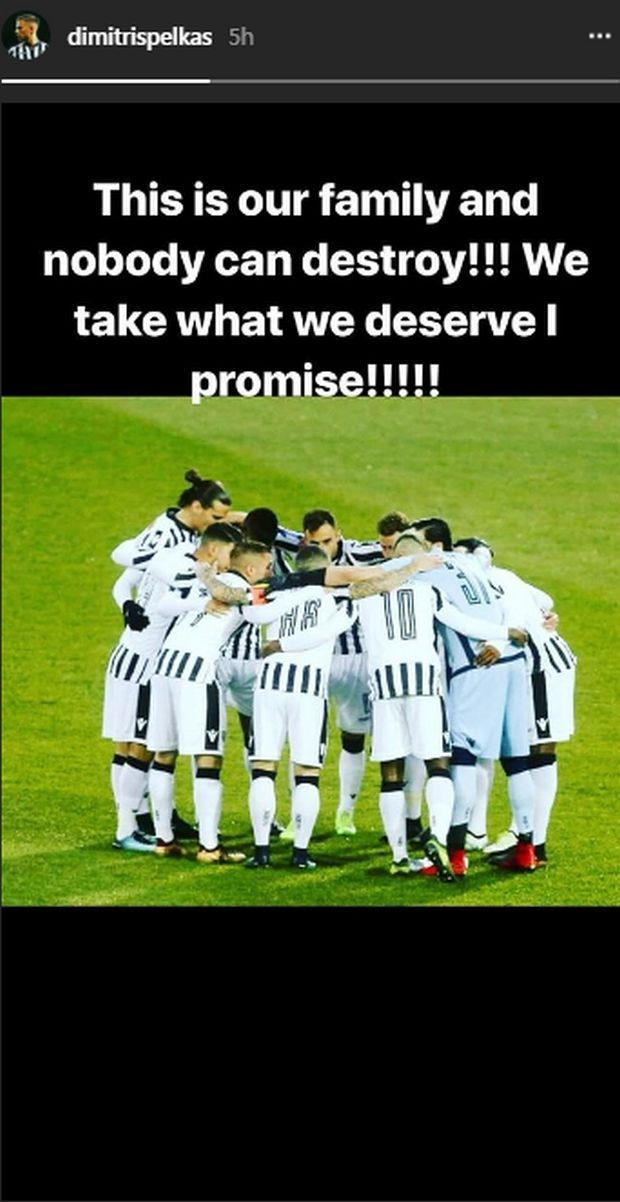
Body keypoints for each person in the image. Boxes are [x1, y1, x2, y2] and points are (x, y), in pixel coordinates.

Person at [242, 544, 439, 870]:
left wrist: (277, 638)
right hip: (308, 689)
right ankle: (300, 854)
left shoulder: (274, 590)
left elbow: (252, 613)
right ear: (327, 570)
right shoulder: (339, 598)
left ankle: (261, 852)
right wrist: (413, 565)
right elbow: (333, 625)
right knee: (307, 773)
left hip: (269, 684)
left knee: (264, 766)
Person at [354, 546, 525, 877]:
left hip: (384, 686)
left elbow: (342, 606)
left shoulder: (365, 593)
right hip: (424, 684)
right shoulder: (429, 591)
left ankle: (399, 857)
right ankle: (438, 837)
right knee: (437, 764)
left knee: (391, 773)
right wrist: (506, 633)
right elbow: (463, 622)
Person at [103, 471, 232, 851]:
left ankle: (148, 819)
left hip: (150, 657)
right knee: (135, 746)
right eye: (217, 518)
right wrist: (129, 603)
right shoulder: (166, 540)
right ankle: (127, 829)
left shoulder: (186, 541)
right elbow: (124, 561)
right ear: (197, 507)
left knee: (143, 744)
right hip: (140, 658)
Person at [398, 521, 537, 874]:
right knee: (517, 760)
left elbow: (453, 618)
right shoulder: (472, 563)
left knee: (461, 757)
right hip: (512, 661)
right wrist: (503, 640)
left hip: (476, 667)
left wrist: (495, 637)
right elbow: (507, 598)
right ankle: (527, 849)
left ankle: (456, 857)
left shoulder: (423, 574)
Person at [147, 537, 272, 863]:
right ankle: (209, 847)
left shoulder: (201, 581)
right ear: (250, 569)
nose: (271, 572)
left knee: (164, 755)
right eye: (267, 566)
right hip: (197, 671)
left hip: (164, 665)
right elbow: (256, 602)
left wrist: (202, 589)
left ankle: (164, 840)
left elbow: (164, 604)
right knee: (208, 759)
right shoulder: (247, 590)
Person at [454, 537, 577, 866]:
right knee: (532, 751)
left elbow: (515, 618)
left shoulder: (486, 584)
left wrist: (497, 643)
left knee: (540, 751)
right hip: (545, 661)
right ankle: (528, 842)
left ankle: (536, 847)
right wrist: (545, 614)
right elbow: (544, 600)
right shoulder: (504, 575)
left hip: (540, 666)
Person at [301, 508, 384, 837]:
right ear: (305, 539)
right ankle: (297, 817)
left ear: (339, 535)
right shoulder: (301, 557)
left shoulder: (363, 553)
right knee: (306, 739)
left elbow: (402, 547)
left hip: (356, 659)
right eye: (315, 543)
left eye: (328, 541)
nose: (323, 549)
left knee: (353, 737)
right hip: (316, 660)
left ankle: (345, 813)